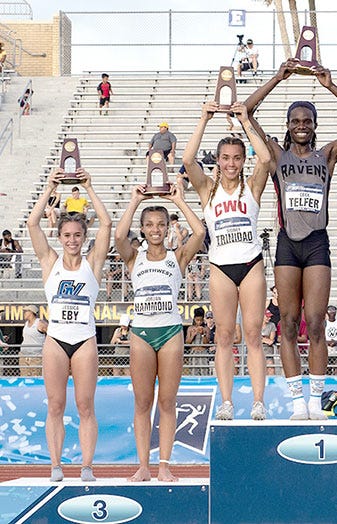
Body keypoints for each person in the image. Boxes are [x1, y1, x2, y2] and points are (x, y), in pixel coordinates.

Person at [244, 60, 337, 419]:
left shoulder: (326, 155)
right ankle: (297, 401)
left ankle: (315, 398)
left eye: (307, 121)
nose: (301, 125)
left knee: (315, 323)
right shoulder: (276, 156)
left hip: (316, 244)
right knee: (288, 322)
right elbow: (246, 111)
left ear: (314, 125)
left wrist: (330, 85)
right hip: (287, 244)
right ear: (287, 125)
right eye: (295, 121)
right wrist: (277, 78)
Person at [183, 100, 271, 421]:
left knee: (253, 335)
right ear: (218, 161)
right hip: (220, 266)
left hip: (250, 264)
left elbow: (266, 159)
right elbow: (187, 160)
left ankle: (258, 401)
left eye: (236, 158)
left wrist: (245, 120)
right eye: (225, 158)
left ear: (243, 160)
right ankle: (227, 402)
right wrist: (204, 119)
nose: (231, 163)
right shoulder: (208, 189)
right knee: (223, 336)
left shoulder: (252, 187)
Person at [115, 179, 204, 482]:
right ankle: (143, 465)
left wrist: (179, 201)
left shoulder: (176, 257)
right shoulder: (134, 257)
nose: (155, 229)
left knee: (167, 401)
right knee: (143, 402)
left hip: (170, 333)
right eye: (150, 225)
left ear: (167, 228)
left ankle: (164, 464)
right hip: (141, 332)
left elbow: (200, 233)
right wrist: (134, 201)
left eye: (161, 224)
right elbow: (118, 236)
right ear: (142, 229)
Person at [27, 167, 111, 482]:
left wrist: (88, 187)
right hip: (56, 341)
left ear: (83, 237)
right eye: (67, 235)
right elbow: (32, 223)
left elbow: (106, 224)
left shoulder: (93, 263)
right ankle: (56, 465)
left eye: (77, 235)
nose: (72, 240)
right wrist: (50, 187)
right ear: (60, 237)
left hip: (84, 340)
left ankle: (86, 466)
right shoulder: (50, 262)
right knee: (56, 405)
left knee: (85, 405)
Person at [19, 305, 47, 376]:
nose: (24, 313)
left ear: (31, 312)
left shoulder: (40, 323)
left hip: (36, 356)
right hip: (24, 355)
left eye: (26, 311)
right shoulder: (26, 323)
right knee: (24, 376)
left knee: (36, 376)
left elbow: (51, 335)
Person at [185, 308, 208, 376]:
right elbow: (187, 343)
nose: (199, 322)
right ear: (194, 319)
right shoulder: (190, 328)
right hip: (194, 353)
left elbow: (206, 344)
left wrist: (203, 334)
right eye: (197, 320)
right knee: (193, 373)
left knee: (204, 373)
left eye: (201, 320)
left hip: (203, 353)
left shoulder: (206, 329)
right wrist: (193, 335)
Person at [261, 310, 277, 375]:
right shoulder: (257, 324)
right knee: (260, 370)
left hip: (268, 351)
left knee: (271, 369)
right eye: (267, 316)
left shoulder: (272, 325)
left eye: (269, 317)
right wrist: (266, 339)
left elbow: (271, 341)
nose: (269, 318)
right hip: (258, 351)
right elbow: (254, 338)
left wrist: (261, 338)